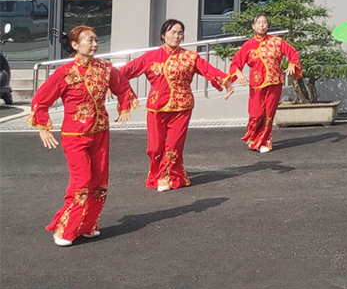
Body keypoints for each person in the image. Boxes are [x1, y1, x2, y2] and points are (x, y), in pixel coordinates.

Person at [27, 25, 138, 246]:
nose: (95, 44)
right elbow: (41, 98)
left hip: (100, 133)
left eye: (96, 40)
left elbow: (123, 87)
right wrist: (42, 127)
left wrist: (124, 106)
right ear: (75, 45)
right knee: (82, 181)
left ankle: (87, 225)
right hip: (75, 136)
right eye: (90, 40)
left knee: (99, 182)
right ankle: (66, 230)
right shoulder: (65, 72)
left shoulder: (105, 68)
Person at [120, 19, 235, 191]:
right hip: (157, 106)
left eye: (180, 33)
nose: (176, 36)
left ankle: (167, 177)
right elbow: (124, 72)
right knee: (155, 147)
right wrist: (111, 85)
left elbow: (209, 70)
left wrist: (227, 82)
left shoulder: (190, 57)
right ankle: (159, 174)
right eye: (172, 32)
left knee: (173, 146)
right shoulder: (150, 57)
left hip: (182, 107)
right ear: (163, 35)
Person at [226, 13, 302, 153]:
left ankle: (264, 141)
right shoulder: (248, 45)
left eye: (264, 22)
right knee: (256, 114)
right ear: (253, 26)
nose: (262, 25)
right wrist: (238, 73)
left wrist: (292, 63)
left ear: (268, 25)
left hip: (275, 82)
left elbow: (292, 52)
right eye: (259, 23)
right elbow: (236, 62)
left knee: (268, 114)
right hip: (257, 84)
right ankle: (253, 138)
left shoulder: (277, 41)